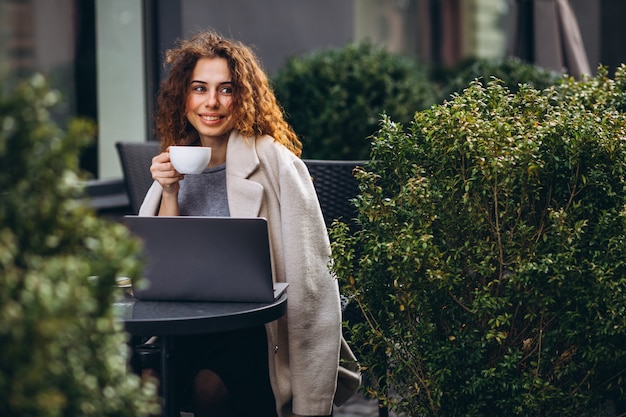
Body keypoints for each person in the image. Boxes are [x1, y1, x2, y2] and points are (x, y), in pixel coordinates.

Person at [138, 31, 360, 417]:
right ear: (183, 97)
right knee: (143, 387)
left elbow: (313, 281)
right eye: (199, 88)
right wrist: (169, 191)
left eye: (226, 89)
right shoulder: (175, 162)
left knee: (210, 389)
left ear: (243, 97)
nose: (211, 102)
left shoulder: (276, 164)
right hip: (186, 326)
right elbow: (160, 269)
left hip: (256, 334)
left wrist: (312, 395)